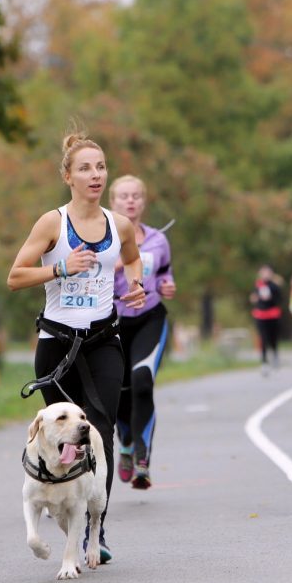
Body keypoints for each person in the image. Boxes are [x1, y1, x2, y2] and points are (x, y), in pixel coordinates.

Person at [8, 129, 145, 565]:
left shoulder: (118, 223)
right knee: (64, 435)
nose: (95, 175)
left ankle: (96, 531)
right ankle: (64, 510)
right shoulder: (53, 223)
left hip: (103, 342)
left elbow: (131, 254)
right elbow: (15, 276)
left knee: (98, 431)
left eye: (101, 167)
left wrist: (136, 283)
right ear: (68, 176)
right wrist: (61, 268)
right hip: (57, 346)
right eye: (85, 168)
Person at [108, 175, 176, 490]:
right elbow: (86, 274)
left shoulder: (158, 240)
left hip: (150, 317)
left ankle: (142, 455)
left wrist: (167, 285)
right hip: (113, 321)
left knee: (141, 380)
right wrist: (117, 266)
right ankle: (124, 443)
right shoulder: (103, 239)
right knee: (120, 390)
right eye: (124, 196)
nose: (131, 201)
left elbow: (164, 273)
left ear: (144, 202)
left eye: (136, 195)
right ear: (113, 201)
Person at [250, 265, 283, 376]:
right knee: (263, 339)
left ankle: (275, 355)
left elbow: (279, 300)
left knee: (273, 338)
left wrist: (270, 298)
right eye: (263, 272)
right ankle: (264, 362)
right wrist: (255, 298)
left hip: (272, 315)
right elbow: (254, 297)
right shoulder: (257, 285)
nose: (265, 275)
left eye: (267, 272)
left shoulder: (274, 286)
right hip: (260, 315)